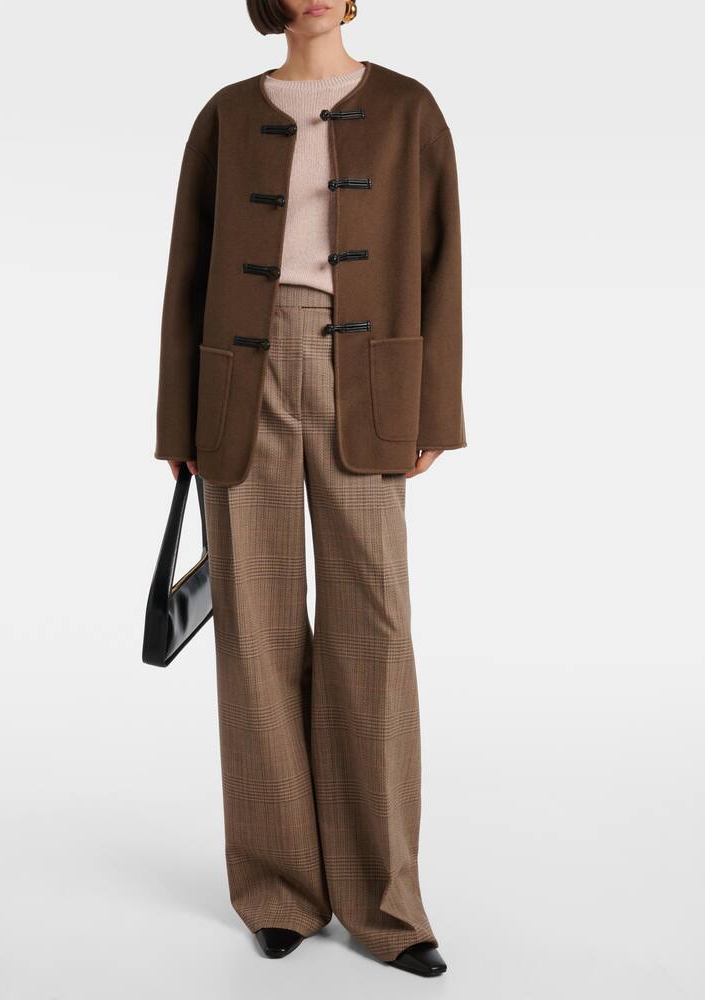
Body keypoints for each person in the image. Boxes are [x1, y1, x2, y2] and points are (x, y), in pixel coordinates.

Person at [154, 0, 465, 978]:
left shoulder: (409, 109)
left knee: (374, 630)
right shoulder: (224, 116)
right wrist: (177, 422)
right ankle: (278, 888)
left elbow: (441, 263)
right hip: (239, 380)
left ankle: (386, 905)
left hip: (366, 380)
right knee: (255, 627)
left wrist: (435, 409)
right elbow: (187, 271)